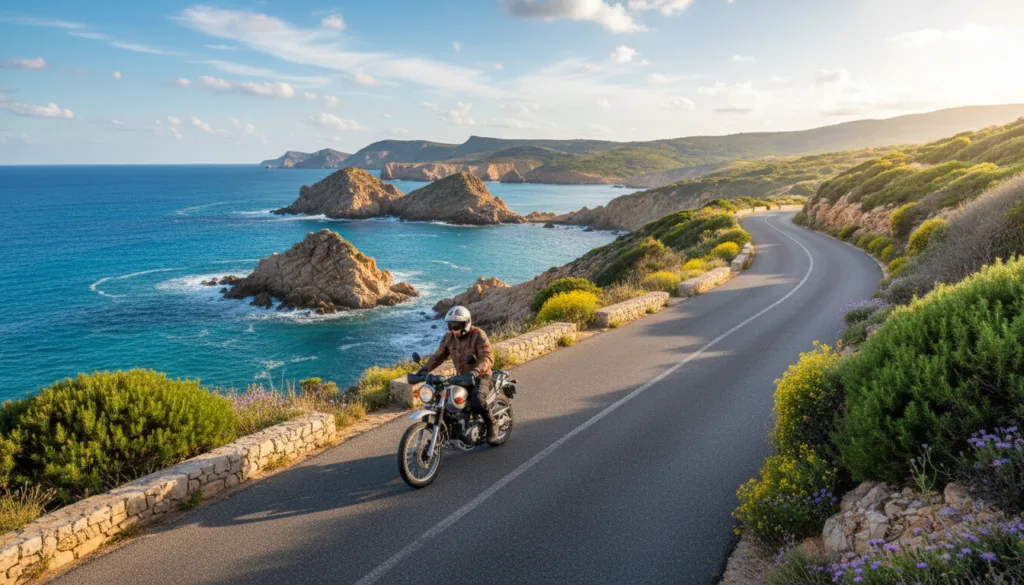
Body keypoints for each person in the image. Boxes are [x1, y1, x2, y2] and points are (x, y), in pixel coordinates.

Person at [419, 305, 498, 440]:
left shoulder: (478, 334)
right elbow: (437, 357)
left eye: (456, 326)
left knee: (477, 400)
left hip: (481, 376)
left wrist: (476, 371)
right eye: (450, 326)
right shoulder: (449, 337)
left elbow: (488, 357)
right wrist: (423, 370)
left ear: (466, 324)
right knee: (444, 401)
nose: (453, 330)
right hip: (461, 378)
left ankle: (492, 424)